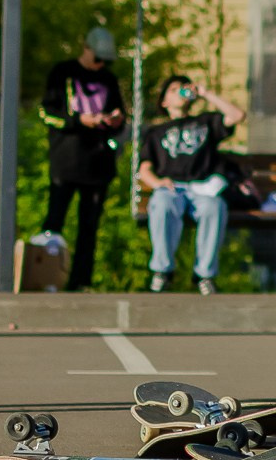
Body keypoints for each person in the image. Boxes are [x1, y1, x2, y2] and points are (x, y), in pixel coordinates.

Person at [38, 26, 127, 291]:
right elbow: (46, 113)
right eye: (97, 58)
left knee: (89, 227)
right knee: (54, 221)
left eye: (105, 61)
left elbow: (120, 117)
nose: (100, 65)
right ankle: (46, 277)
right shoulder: (63, 72)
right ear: (86, 48)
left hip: (98, 164)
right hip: (67, 161)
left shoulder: (109, 80)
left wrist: (116, 121)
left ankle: (80, 282)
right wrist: (79, 120)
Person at [137, 75, 245, 294]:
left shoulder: (205, 123)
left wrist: (205, 93)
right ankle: (162, 271)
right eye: (173, 89)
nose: (179, 92)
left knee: (214, 207)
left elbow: (237, 115)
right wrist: (158, 182)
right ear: (164, 102)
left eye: (182, 88)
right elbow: (144, 170)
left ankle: (204, 275)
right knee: (163, 204)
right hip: (172, 188)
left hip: (202, 187)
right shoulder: (156, 133)